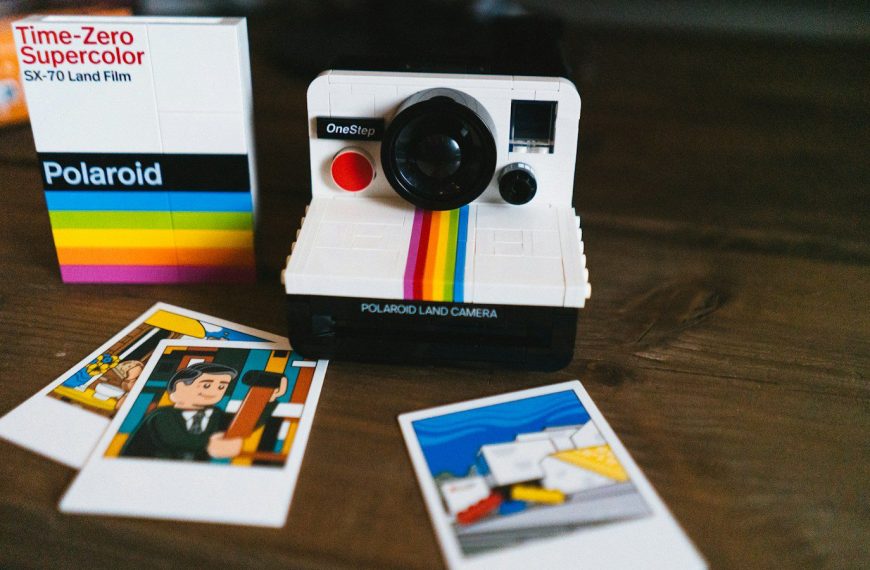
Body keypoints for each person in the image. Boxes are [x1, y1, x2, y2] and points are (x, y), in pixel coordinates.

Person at [121, 362, 244, 461]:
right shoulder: (161, 416)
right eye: (206, 385)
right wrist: (211, 446)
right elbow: (178, 441)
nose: (214, 392)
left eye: (221, 387)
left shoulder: (216, 414)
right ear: (180, 386)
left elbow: (245, 420)